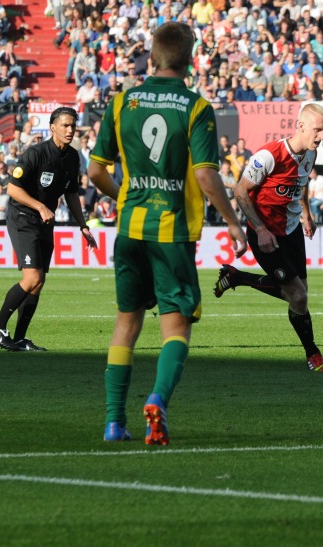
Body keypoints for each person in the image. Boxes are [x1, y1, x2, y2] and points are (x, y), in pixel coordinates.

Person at [87, 22, 247, 445]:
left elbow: (95, 171)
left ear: (152, 56)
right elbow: (207, 177)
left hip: (130, 228)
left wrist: (123, 193)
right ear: (189, 58)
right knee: (176, 329)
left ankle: (112, 423)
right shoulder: (195, 107)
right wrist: (233, 222)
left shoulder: (122, 103)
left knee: (127, 322)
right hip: (172, 233)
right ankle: (157, 399)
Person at [213, 103, 323, 373]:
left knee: (299, 294)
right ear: (301, 126)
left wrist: (306, 215)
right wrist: (261, 229)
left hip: (291, 231)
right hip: (265, 234)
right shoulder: (269, 155)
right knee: (298, 297)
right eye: (318, 130)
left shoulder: (310, 155)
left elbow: (300, 186)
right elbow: (241, 192)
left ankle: (238, 277)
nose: (322, 136)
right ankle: (313, 354)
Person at [0, 107, 97, 352]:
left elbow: (71, 193)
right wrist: (40, 206)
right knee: (32, 277)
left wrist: (83, 226)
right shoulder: (35, 153)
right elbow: (13, 189)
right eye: (65, 125)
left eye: (73, 126)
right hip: (23, 217)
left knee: (39, 282)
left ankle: (18, 339)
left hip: (44, 220)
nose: (70, 130)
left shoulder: (72, 157)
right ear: (53, 127)